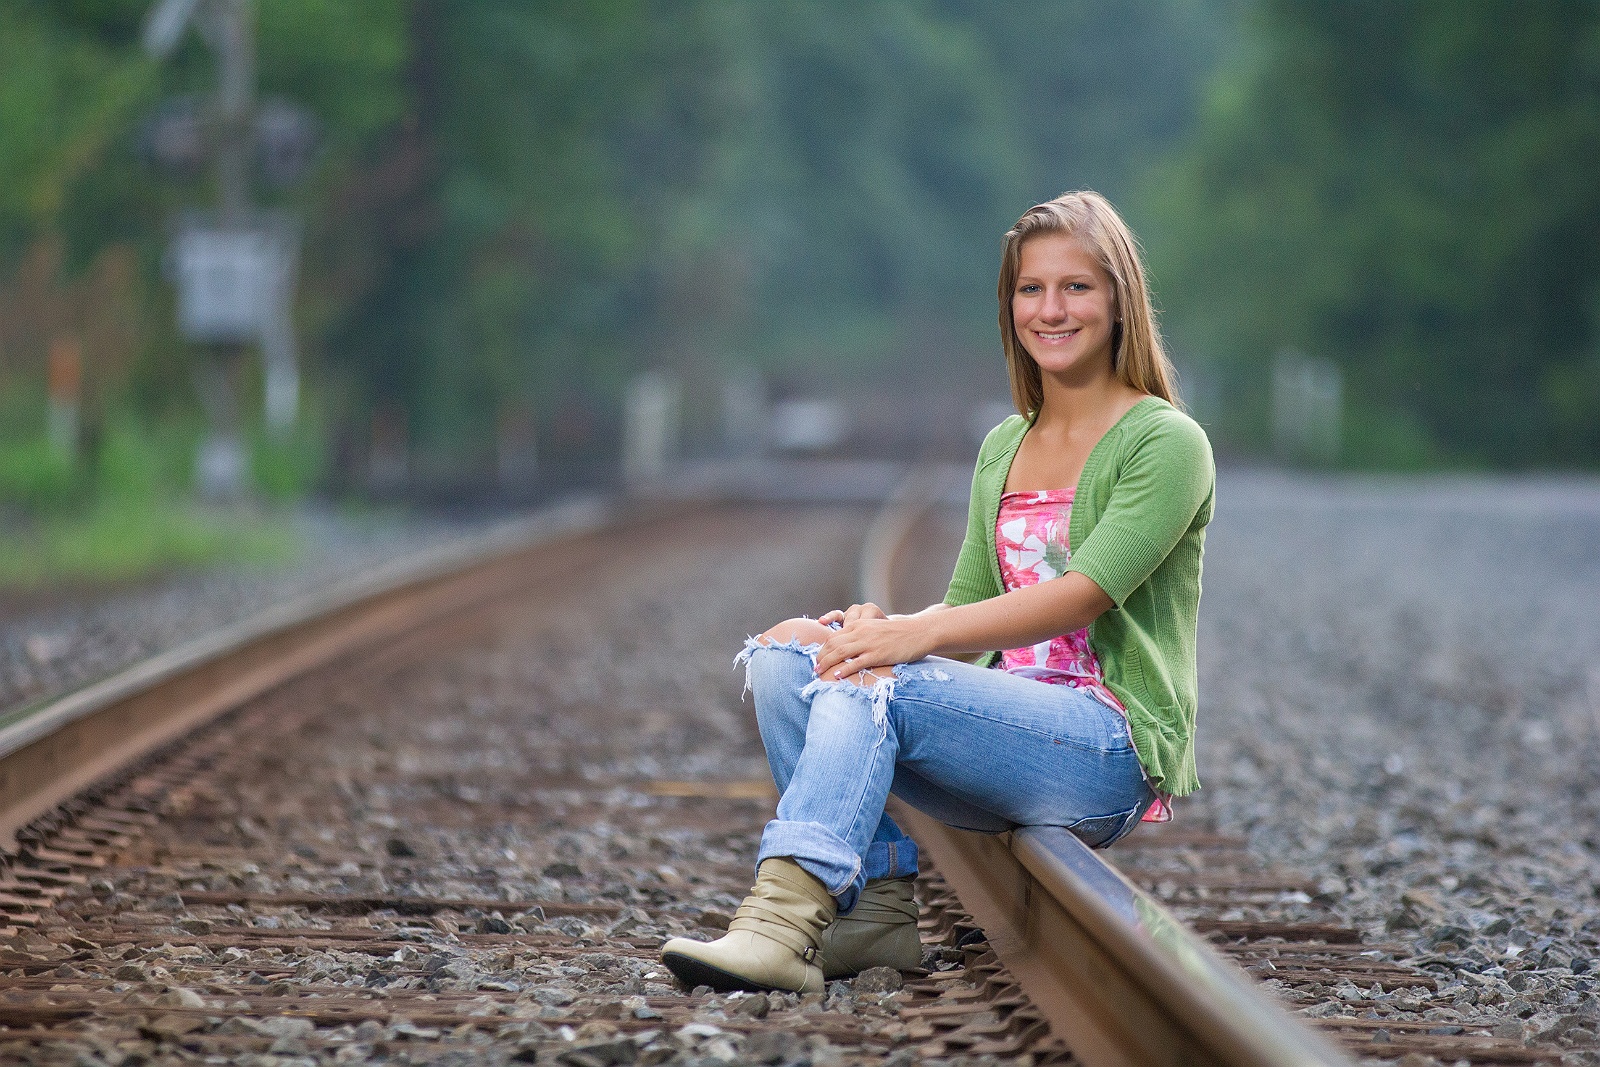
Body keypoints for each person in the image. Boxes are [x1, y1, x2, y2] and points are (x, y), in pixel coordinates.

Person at [661, 191, 1215, 994]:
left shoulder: (1166, 441)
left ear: (1120, 300)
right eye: (1031, 289)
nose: (1051, 309)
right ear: (1009, 305)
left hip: (1107, 745)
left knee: (878, 680)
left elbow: (1082, 594)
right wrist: (875, 629)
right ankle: (873, 912)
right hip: (1003, 728)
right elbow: (966, 601)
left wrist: (908, 643)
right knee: (788, 656)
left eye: (1076, 287)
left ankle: (780, 923)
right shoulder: (1006, 443)